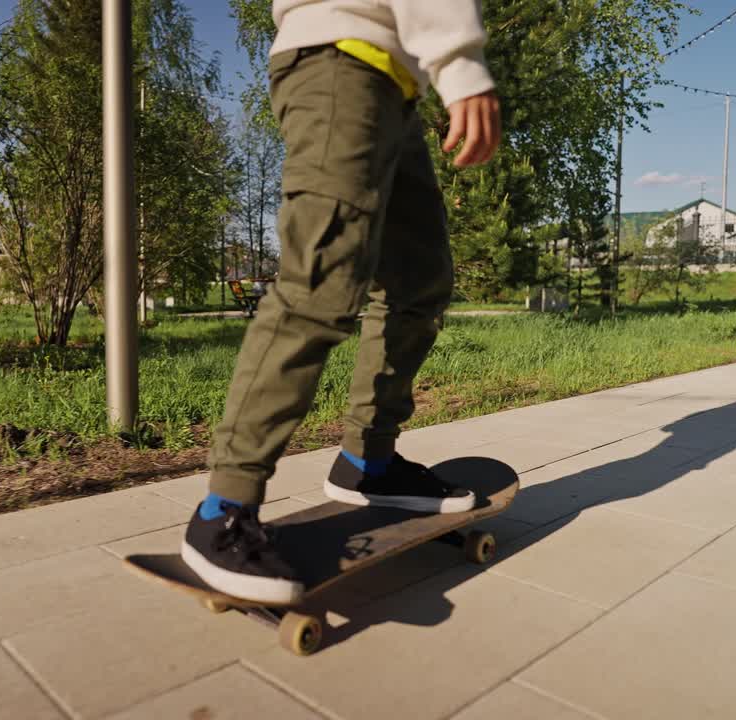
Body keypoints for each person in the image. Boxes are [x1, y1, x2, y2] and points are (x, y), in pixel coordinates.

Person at [181, 0, 502, 604]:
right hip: (341, 60)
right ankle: (224, 507)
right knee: (320, 284)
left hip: (396, 87)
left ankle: (368, 463)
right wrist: (460, 65)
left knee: (418, 282)